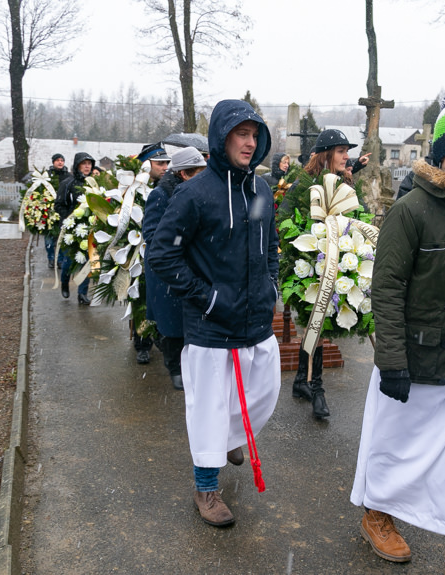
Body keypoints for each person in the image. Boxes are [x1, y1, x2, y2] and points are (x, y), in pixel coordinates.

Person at [351, 95, 445, 573]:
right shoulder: (411, 211)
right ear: (442, 153)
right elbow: (388, 288)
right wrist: (392, 361)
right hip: (414, 359)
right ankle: (378, 515)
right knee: (398, 449)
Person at [148, 99, 280, 527]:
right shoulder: (194, 193)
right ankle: (206, 488)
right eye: (241, 134)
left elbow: (269, 244)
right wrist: (206, 298)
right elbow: (163, 255)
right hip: (209, 328)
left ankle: (231, 437)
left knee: (264, 393)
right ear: (221, 137)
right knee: (207, 408)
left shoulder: (260, 190)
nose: (249, 142)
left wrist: (271, 285)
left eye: (254, 134)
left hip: (255, 321)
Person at [282, 128, 359, 419]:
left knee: (318, 326)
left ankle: (303, 380)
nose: (347, 156)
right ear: (326, 154)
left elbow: (355, 220)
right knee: (316, 324)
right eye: (341, 151)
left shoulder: (346, 183)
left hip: (339, 262)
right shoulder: (302, 185)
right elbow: (286, 221)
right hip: (309, 264)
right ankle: (316, 387)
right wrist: (310, 250)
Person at [142, 147, 208, 391]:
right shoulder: (160, 196)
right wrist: (182, 240)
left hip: (191, 267)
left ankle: (189, 364)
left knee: (189, 319)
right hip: (167, 270)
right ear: (184, 174)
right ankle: (174, 367)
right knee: (171, 323)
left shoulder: (197, 194)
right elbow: (152, 233)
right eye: (198, 173)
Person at [132, 142, 172, 364]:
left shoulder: (168, 187)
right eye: (159, 163)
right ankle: (142, 343)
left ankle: (163, 338)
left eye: (166, 162)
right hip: (135, 253)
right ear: (147, 165)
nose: (165, 167)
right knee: (140, 299)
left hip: (158, 253)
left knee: (158, 299)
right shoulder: (133, 190)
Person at [55, 151, 96, 305]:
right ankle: (65, 282)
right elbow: (58, 205)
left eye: (89, 163)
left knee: (86, 261)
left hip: (89, 227)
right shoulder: (68, 183)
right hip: (71, 229)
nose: (87, 166)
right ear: (77, 165)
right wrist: (71, 217)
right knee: (69, 260)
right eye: (84, 163)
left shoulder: (93, 182)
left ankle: (82, 293)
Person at [44, 153, 70, 269]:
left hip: (63, 211)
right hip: (49, 212)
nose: (60, 162)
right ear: (53, 162)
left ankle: (60, 260)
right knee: (49, 237)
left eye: (62, 160)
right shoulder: (47, 176)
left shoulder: (68, 176)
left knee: (61, 237)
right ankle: (51, 258)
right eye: (58, 160)